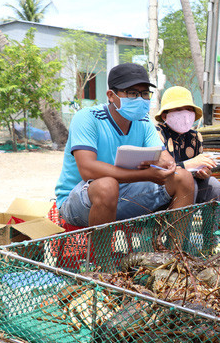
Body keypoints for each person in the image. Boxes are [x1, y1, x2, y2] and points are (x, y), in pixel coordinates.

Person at [55, 63, 195, 227]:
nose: (140, 99)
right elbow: (88, 170)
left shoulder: (144, 122)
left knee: (182, 177)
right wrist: (145, 175)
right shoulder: (87, 118)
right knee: (107, 186)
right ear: (111, 95)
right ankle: (103, 253)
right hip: (80, 202)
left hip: (125, 194)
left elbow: (164, 158)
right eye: (131, 93)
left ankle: (174, 251)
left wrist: (166, 165)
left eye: (144, 94)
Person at [154, 86, 220, 204]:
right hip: (163, 186)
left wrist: (203, 172)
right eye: (179, 109)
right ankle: (182, 222)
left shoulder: (195, 137)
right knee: (189, 184)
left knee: (214, 185)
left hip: (191, 183)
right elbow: (159, 170)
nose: (185, 114)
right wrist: (188, 165)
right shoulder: (157, 134)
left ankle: (211, 223)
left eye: (189, 110)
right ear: (165, 115)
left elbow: (199, 169)